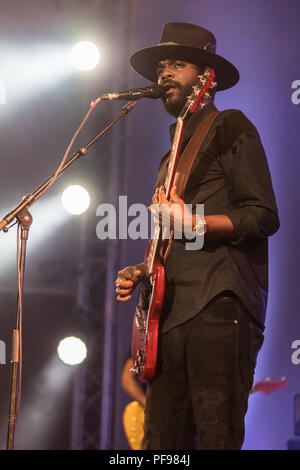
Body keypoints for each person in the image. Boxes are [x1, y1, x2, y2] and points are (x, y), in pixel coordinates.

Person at [115, 22, 280, 450]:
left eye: (178, 64)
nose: (164, 73)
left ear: (206, 78)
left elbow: (262, 215)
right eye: (161, 66)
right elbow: (174, 236)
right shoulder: (170, 157)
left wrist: (198, 223)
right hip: (169, 315)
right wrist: (144, 268)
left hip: (219, 304)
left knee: (215, 437)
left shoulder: (230, 126)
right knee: (159, 446)